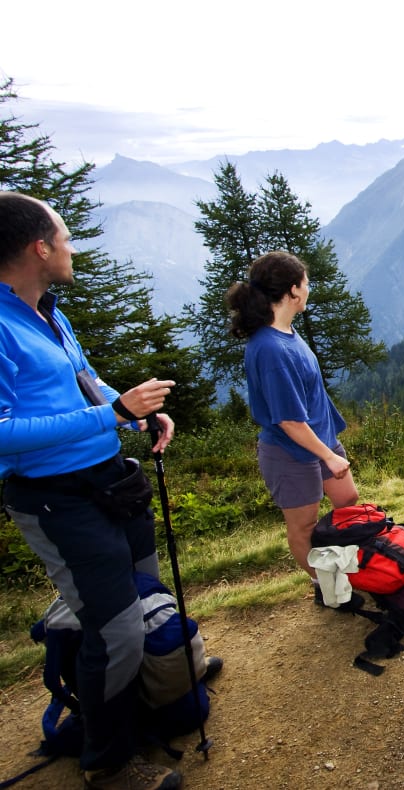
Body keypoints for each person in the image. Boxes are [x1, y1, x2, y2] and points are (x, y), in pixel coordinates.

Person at [0, 191, 198, 790]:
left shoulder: (47, 311)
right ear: (40, 248)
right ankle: (107, 762)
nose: (71, 247)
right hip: (58, 499)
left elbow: (85, 380)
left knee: (146, 593)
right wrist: (111, 414)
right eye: (64, 238)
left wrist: (135, 418)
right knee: (114, 626)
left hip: (110, 480)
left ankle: (163, 685)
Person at [225, 250, 360, 607]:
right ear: (292, 291)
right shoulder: (270, 348)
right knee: (303, 525)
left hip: (319, 440)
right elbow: (288, 420)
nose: (309, 288)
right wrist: (328, 456)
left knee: (347, 501)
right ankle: (326, 588)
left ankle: (338, 566)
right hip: (291, 451)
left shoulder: (284, 331)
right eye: (306, 282)